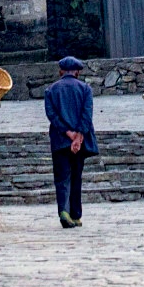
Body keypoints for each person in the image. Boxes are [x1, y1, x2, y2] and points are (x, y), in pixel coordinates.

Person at [43, 55, 97, 228]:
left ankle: (64, 212)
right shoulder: (85, 89)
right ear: (77, 73)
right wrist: (78, 136)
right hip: (79, 143)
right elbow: (86, 115)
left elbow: (52, 116)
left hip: (60, 141)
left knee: (62, 177)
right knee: (76, 176)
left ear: (60, 72)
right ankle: (76, 214)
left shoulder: (50, 90)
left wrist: (68, 134)